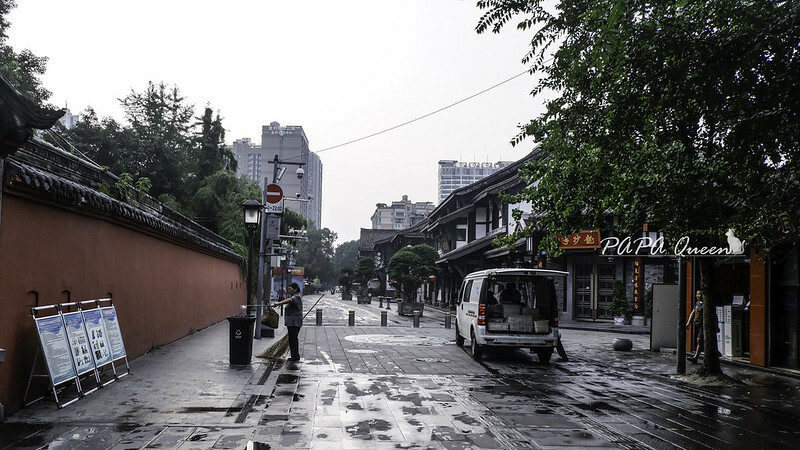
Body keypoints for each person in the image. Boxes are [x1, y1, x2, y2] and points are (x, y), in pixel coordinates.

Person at [271, 282, 303, 361]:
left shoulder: (296, 297)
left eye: (290, 289)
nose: (289, 290)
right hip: (292, 322)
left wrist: (278, 303)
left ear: (295, 289)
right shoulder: (294, 296)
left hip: (294, 322)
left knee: (293, 339)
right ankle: (295, 355)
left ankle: (295, 357)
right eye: (288, 289)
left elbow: (289, 300)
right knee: (292, 339)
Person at [686, 290, 704, 363]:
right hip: (697, 324)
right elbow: (692, 313)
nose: (698, 296)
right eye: (697, 294)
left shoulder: (706, 304)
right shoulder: (697, 304)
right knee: (700, 341)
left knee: (699, 340)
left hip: (703, 325)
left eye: (700, 294)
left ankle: (695, 357)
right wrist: (688, 322)